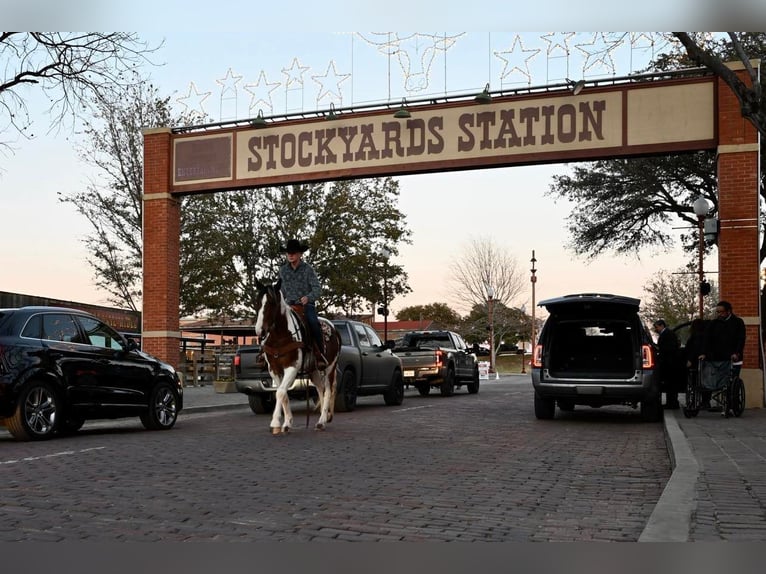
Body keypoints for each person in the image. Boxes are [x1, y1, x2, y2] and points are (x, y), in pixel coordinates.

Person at [278, 239, 325, 366]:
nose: (290, 255)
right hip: (288, 305)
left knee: (313, 323)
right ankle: (265, 352)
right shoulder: (283, 271)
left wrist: (308, 297)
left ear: (300, 254)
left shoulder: (308, 269)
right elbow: (281, 290)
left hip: (305, 306)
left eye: (293, 253)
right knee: (272, 322)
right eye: (288, 253)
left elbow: (317, 289)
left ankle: (319, 353)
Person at [700, 300, 746, 391]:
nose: (719, 314)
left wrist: (737, 352)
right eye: (717, 312)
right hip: (716, 358)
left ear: (729, 311)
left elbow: (741, 339)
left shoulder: (738, 322)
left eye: (721, 312)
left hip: (732, 357)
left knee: (732, 382)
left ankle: (731, 402)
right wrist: (704, 353)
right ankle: (705, 402)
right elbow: (707, 339)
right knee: (708, 379)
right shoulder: (713, 324)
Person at [653, 319, 682, 409]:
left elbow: (668, 348)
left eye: (656, 327)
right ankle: (672, 402)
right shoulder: (668, 334)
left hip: (670, 363)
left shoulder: (667, 334)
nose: (656, 329)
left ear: (662, 325)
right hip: (670, 363)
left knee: (671, 384)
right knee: (671, 384)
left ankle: (672, 403)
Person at [684, 318, 709, 408]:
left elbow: (693, 349)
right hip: (706, 362)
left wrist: (689, 359)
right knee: (705, 382)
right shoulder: (706, 336)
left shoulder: (695, 336)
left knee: (695, 382)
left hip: (695, 362)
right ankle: (706, 401)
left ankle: (694, 401)